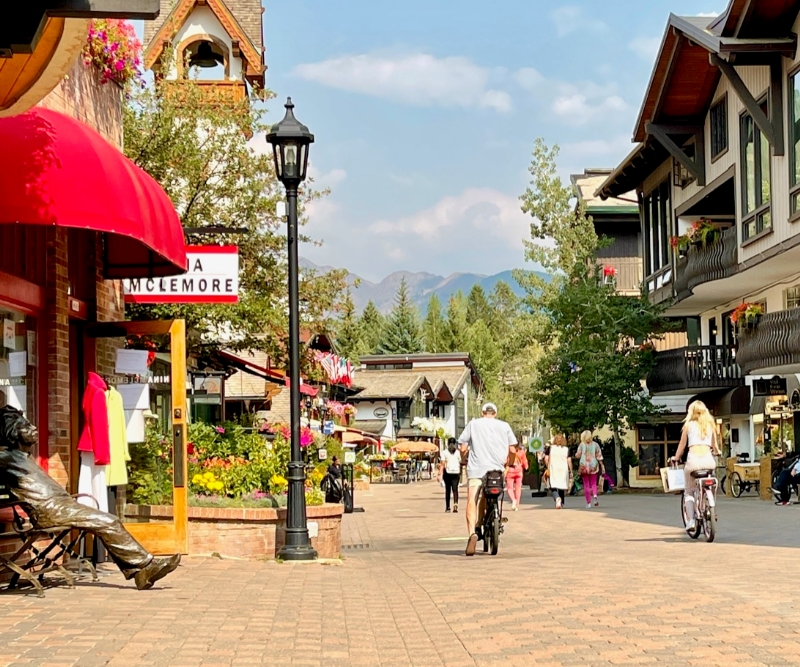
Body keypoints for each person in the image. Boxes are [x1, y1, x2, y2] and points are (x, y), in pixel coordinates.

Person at [0, 404, 180, 590]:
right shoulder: (5, 456)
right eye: (26, 427)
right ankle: (145, 567)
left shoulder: (22, 456)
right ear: (12, 433)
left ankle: (142, 571)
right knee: (109, 521)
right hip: (50, 510)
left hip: (61, 505)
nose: (34, 428)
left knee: (108, 521)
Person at [458, 402, 517, 556]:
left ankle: (472, 532)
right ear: (495, 413)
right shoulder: (504, 426)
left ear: (482, 412)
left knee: (472, 499)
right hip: (496, 471)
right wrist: (509, 463)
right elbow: (512, 449)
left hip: (477, 469)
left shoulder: (473, 424)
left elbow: (463, 447)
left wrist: (464, 459)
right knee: (490, 493)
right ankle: (487, 520)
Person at [671, 400, 721, 531]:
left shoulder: (689, 425)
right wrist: (717, 452)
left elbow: (682, 445)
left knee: (688, 491)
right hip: (708, 461)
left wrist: (676, 457)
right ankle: (710, 505)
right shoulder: (710, 424)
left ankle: (691, 521)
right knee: (710, 482)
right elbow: (715, 446)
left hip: (693, 462)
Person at [575, 431, 604, 509]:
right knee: (594, 483)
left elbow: (578, 455)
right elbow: (599, 455)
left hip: (584, 466)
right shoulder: (595, 444)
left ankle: (588, 503)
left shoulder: (581, 445)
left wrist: (577, 455)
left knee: (586, 484)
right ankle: (595, 496)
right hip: (593, 466)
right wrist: (602, 465)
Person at [546, 434, 571, 509]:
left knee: (552, 485)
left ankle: (557, 498)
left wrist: (548, 466)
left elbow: (546, 458)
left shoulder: (550, 448)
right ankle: (561, 503)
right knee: (561, 485)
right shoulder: (566, 449)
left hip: (553, 468)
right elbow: (569, 460)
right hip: (564, 468)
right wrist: (571, 470)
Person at [438, 438, 462, 513]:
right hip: (456, 472)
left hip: (447, 473)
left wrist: (439, 473)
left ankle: (448, 507)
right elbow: (460, 461)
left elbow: (442, 463)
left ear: (447, 444)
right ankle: (455, 505)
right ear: (455, 444)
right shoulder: (458, 452)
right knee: (455, 490)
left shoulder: (444, 452)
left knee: (448, 490)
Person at [505, 442, 528, 511]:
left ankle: (513, 500)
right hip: (519, 471)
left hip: (510, 471)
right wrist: (526, 467)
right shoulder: (521, 452)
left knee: (510, 488)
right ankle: (517, 504)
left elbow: (505, 461)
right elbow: (524, 462)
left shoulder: (508, 451)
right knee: (518, 488)